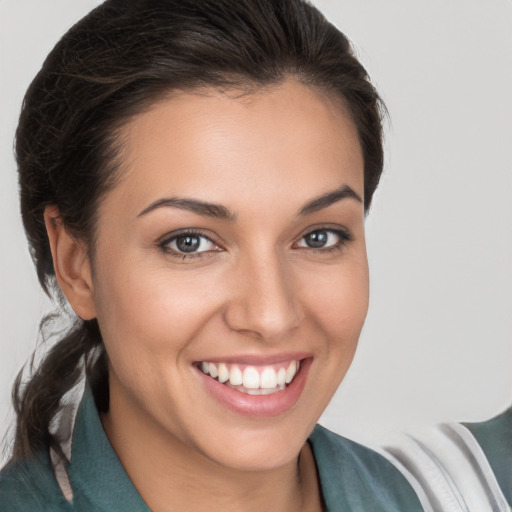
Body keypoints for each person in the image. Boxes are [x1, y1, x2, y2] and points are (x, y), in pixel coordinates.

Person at [0, 0, 425, 510]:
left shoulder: (467, 491)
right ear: (76, 263)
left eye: (318, 237)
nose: (271, 315)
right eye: (190, 242)